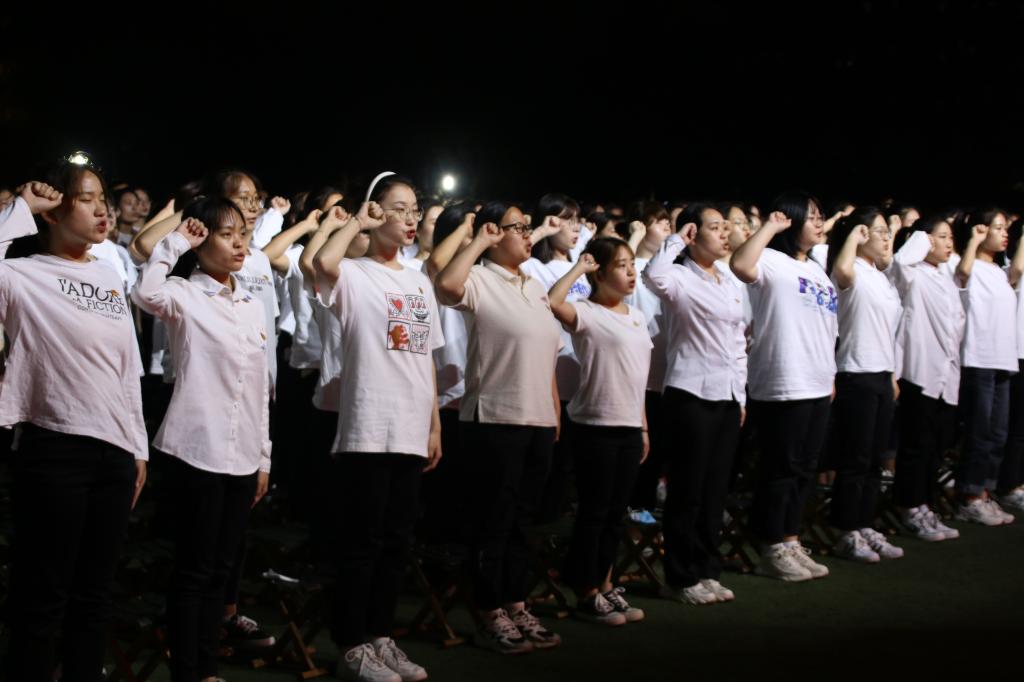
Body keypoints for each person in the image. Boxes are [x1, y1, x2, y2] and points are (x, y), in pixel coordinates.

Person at [1, 170, 148, 682]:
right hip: (54, 447)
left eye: (103, 199)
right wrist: (21, 209)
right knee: (42, 596)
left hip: (114, 452)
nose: (102, 210)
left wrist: (137, 446)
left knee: (95, 596)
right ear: (54, 212)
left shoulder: (108, 276)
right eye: (86, 200)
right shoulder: (21, 273)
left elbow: (126, 368)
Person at [132, 197, 271, 682]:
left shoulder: (252, 305)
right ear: (201, 239)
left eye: (242, 235)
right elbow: (145, 292)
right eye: (226, 234)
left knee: (221, 571)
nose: (239, 243)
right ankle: (188, 673)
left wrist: (264, 457)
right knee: (193, 570)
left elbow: (259, 390)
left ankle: (207, 667)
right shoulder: (184, 293)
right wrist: (175, 241)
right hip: (196, 449)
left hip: (243, 455)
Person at [312, 175, 443, 682]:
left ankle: (381, 636)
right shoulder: (353, 272)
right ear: (376, 211)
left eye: (415, 210)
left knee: (397, 542)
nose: (410, 219)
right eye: (399, 209)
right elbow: (322, 263)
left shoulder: (419, 281)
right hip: (368, 424)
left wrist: (434, 426)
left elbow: (426, 358)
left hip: (411, 425)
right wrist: (357, 223)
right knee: (361, 542)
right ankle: (351, 644)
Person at [435, 200, 563, 654]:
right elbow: (446, 285)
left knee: (523, 523)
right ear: (494, 234)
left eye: (528, 227)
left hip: (538, 419)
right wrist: (478, 241)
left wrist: (553, 410)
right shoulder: (479, 278)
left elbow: (546, 353)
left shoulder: (534, 285)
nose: (528, 235)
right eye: (518, 228)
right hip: (493, 418)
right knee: (492, 521)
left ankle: (516, 603)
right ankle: (489, 612)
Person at [729, 191, 836, 582]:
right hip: (784, 379)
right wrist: (770, 226)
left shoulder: (817, 269)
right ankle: (771, 546)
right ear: (791, 221)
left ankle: (791, 539)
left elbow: (827, 327)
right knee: (781, 468)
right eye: (812, 216)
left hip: (817, 380)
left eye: (821, 215)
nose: (820, 222)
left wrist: (830, 376)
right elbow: (740, 263)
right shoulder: (771, 260)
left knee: (805, 468)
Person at [644, 204, 746, 604]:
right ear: (693, 233)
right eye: (714, 227)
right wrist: (676, 239)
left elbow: (738, 342)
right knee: (687, 490)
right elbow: (653, 276)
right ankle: (680, 577)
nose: (724, 234)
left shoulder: (728, 279)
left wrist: (740, 395)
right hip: (690, 393)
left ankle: (706, 569)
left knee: (715, 490)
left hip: (726, 395)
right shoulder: (680, 277)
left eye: (725, 227)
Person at [548, 237, 650, 625]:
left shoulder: (637, 316)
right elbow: (552, 302)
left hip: (629, 426)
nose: (631, 272)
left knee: (615, 514)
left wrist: (643, 426)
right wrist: (579, 267)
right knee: (594, 512)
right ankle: (586, 591)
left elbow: (638, 377)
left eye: (632, 264)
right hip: (595, 425)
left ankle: (606, 585)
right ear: (601, 273)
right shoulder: (586, 311)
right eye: (621, 265)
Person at [826, 207, 906, 561]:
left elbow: (888, 331)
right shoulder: (850, 268)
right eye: (879, 231)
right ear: (859, 235)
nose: (886, 238)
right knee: (856, 458)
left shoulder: (881, 276)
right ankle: (845, 530)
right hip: (855, 373)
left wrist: (892, 375)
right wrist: (853, 237)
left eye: (888, 232)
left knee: (875, 458)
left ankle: (865, 523)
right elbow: (842, 271)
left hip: (881, 374)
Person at [888, 215, 964, 541]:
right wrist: (920, 237)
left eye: (950, 237)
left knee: (935, 447)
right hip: (919, 373)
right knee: (915, 446)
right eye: (941, 237)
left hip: (946, 376)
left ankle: (926, 505)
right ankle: (909, 506)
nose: (949, 243)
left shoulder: (945, 277)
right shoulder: (912, 274)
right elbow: (901, 262)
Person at [953, 208, 1017, 525]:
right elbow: (961, 275)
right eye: (998, 228)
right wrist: (973, 241)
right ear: (981, 229)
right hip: (978, 360)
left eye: (1006, 229)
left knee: (998, 433)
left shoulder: (1000, 272)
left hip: (1003, 361)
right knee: (979, 433)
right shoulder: (968, 264)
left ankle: (984, 492)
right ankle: (969, 497)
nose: (1004, 234)